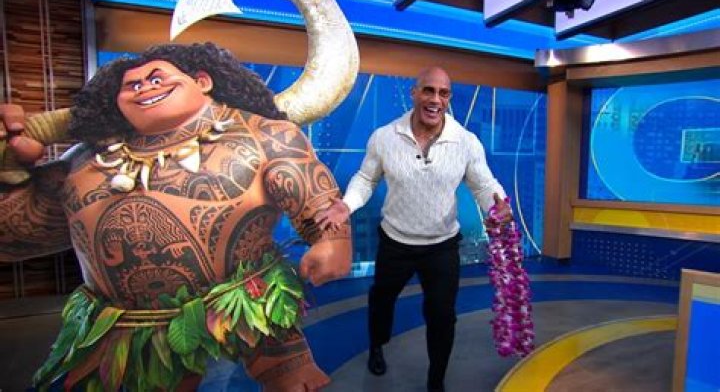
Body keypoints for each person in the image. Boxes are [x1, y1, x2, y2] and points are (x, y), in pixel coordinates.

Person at [0, 42, 351, 391]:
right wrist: (10, 171)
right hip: (138, 331)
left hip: (251, 301)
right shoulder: (85, 160)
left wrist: (331, 240)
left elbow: (311, 193)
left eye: (156, 78)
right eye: (131, 86)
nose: (144, 88)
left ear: (202, 81)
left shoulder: (261, 134)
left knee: (294, 380)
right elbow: (15, 237)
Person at [316, 66, 512, 392]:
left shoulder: (466, 142)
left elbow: (484, 184)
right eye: (428, 90)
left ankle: (436, 380)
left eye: (443, 93)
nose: (435, 99)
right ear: (414, 93)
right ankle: (377, 345)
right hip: (396, 242)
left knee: (442, 316)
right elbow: (366, 179)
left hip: (442, 246)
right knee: (382, 301)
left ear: (448, 99)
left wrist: (499, 204)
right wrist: (346, 205)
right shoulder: (384, 137)